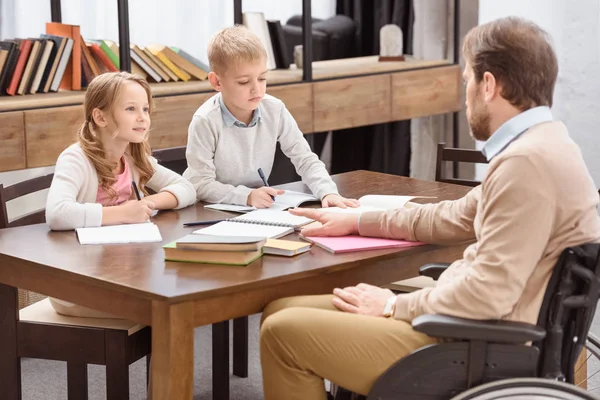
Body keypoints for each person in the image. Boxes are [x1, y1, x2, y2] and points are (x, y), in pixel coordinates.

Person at [259, 16, 600, 400]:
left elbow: (488, 295)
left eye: (468, 79)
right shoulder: (545, 145)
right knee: (280, 308)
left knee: (281, 334)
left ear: (489, 85)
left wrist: (392, 304)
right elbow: (451, 216)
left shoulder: (527, 165)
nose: (466, 92)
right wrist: (355, 219)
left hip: (474, 342)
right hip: (473, 326)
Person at [45, 71, 196, 317]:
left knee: (180, 293)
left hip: (124, 275)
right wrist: (123, 213)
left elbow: (187, 188)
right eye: (130, 109)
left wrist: (148, 202)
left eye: (145, 109)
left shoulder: (134, 158)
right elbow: (57, 214)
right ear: (100, 117)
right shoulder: (75, 159)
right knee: (171, 309)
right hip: (79, 284)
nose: (142, 118)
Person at [183, 26, 358, 209]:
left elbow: (305, 158)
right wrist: (247, 196)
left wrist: (327, 191)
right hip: (209, 209)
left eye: (262, 79)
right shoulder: (205, 120)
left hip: (255, 207)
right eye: (244, 82)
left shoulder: (275, 109)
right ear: (217, 82)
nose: (256, 89)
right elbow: (201, 184)